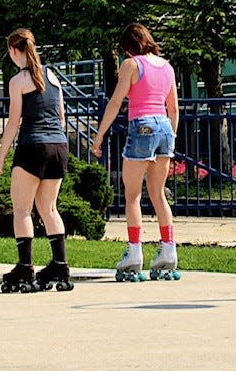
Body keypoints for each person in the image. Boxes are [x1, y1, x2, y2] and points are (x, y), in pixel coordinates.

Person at [90, 22, 180, 281]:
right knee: (158, 194)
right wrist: (170, 136)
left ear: (129, 46)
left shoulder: (131, 65)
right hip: (164, 126)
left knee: (132, 196)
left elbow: (116, 102)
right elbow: (173, 109)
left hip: (141, 126)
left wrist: (99, 136)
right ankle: (168, 250)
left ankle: (134, 252)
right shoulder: (167, 67)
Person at [0, 28, 73, 292]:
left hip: (32, 147)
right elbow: (61, 116)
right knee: (49, 208)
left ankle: (25, 268)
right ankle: (60, 265)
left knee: (23, 210)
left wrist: (1, 157)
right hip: (58, 146)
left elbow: (13, 122)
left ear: (14, 51)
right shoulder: (53, 76)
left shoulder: (18, 81)